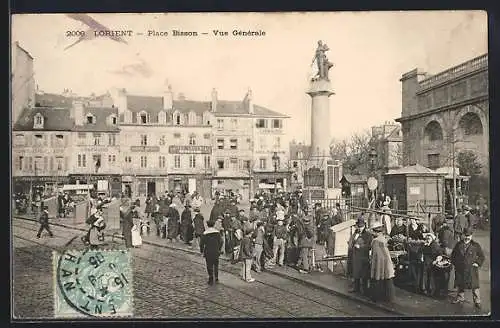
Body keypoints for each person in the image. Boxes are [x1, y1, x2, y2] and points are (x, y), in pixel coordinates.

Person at [450, 227, 485, 309]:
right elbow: (453, 255)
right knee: (460, 284)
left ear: (471, 236)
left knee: (474, 286)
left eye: (469, 236)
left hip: (471, 269)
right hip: (460, 268)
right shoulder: (458, 244)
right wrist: (455, 264)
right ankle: (460, 298)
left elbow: (481, 257)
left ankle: (477, 301)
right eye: (465, 235)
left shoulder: (476, 245)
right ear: (463, 235)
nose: (467, 237)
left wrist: (477, 263)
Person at [370, 224, 396, 303]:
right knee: (387, 279)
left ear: (376, 232)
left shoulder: (376, 241)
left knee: (378, 278)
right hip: (386, 262)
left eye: (374, 232)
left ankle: (377, 297)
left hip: (379, 263)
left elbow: (376, 254)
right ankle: (388, 298)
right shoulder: (383, 239)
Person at [347, 216, 373, 295]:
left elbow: (369, 246)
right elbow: (352, 240)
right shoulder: (355, 233)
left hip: (363, 257)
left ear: (364, 226)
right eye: (359, 226)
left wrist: (361, 247)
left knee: (364, 274)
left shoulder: (368, 234)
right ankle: (356, 288)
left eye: (361, 226)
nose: (360, 228)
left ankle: (365, 290)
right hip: (355, 256)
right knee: (356, 272)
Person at [421, 232, 445, 297]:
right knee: (425, 276)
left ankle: (432, 291)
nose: (428, 239)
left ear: (432, 238)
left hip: (432, 263)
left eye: (429, 238)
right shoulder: (425, 245)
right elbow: (422, 252)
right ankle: (425, 289)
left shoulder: (435, 245)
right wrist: (422, 257)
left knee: (432, 277)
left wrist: (436, 260)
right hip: (426, 262)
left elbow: (440, 254)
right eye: (427, 238)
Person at [200, 220, 223, 285]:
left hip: (208, 251)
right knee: (216, 265)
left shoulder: (205, 233)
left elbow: (201, 243)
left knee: (209, 265)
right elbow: (221, 241)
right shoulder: (217, 233)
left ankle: (211, 278)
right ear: (213, 225)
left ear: (207, 225)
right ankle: (216, 278)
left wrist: (201, 251)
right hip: (216, 251)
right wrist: (219, 248)